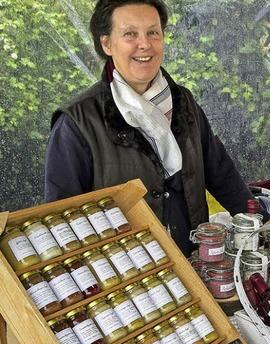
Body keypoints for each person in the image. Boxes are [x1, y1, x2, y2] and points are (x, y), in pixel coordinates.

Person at [45, 0, 256, 255]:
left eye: (153, 32)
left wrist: (257, 220)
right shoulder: (77, 123)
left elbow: (220, 173)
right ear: (106, 44)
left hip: (195, 263)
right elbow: (60, 220)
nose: (144, 44)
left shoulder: (183, 102)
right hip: (129, 278)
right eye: (130, 34)